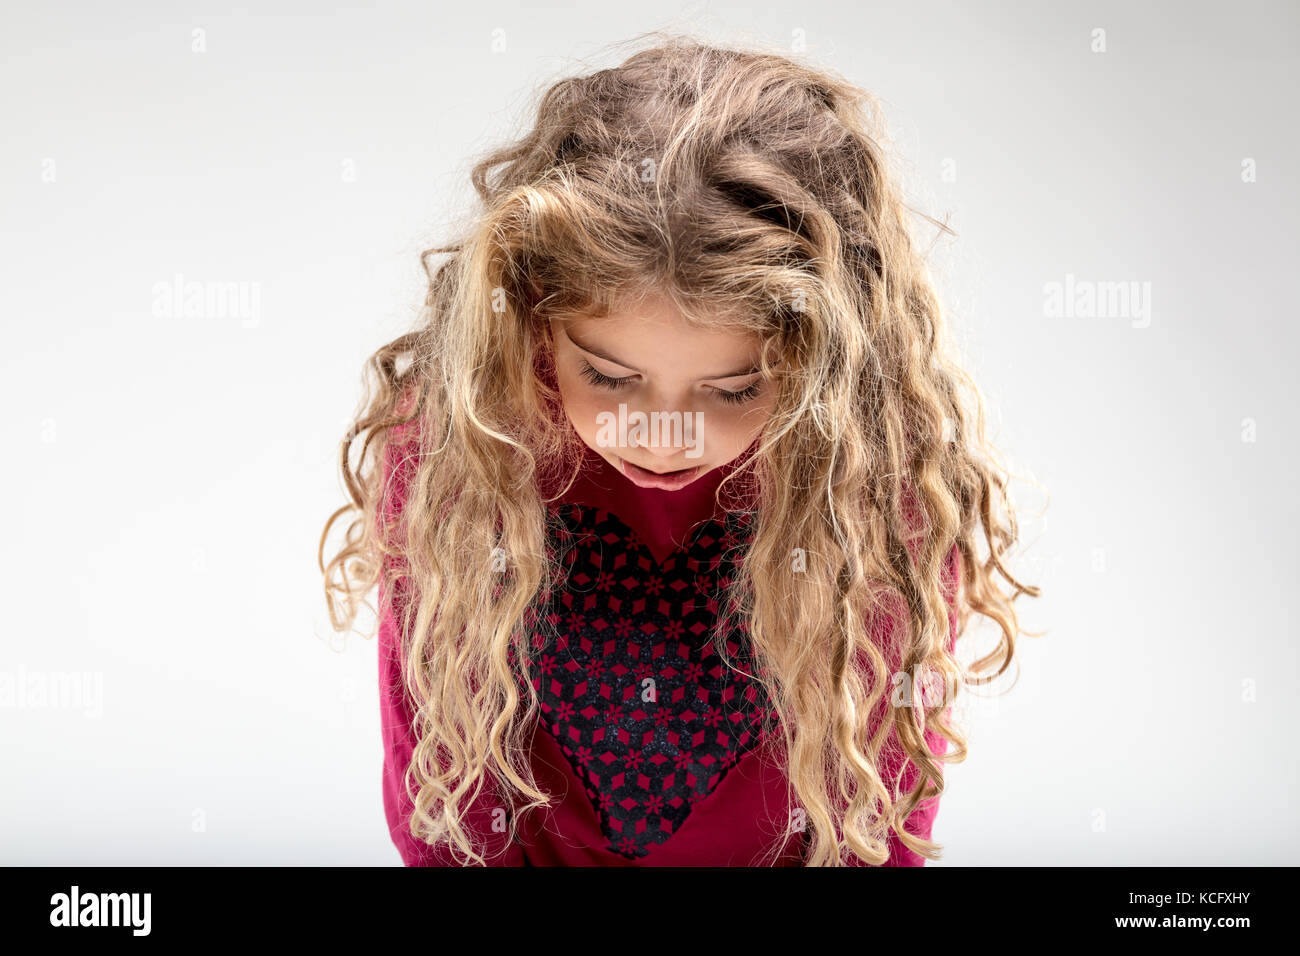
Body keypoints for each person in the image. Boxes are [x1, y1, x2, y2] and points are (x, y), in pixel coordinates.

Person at [320, 34, 1040, 866]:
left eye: (734, 389)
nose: (664, 436)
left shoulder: (873, 479)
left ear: (825, 364)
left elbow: (877, 823)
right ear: (532, 314)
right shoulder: (467, 440)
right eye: (608, 377)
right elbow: (438, 801)